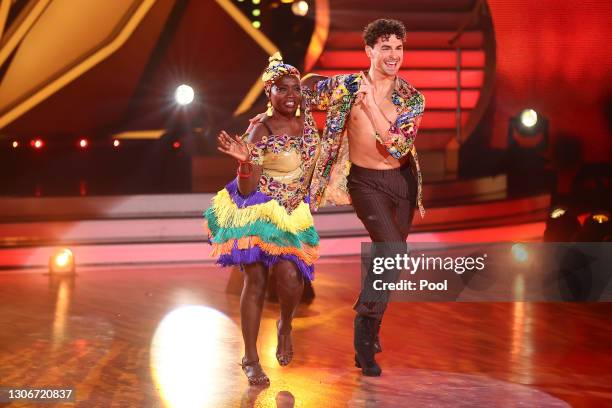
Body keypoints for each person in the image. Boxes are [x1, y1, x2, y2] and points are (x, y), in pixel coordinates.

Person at [301, 18, 426, 376]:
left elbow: (399, 143)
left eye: (399, 48)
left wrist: (370, 106)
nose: (394, 55)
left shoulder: (412, 98)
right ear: (369, 51)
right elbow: (302, 95)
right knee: (392, 249)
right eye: (386, 47)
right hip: (364, 183)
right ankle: (364, 330)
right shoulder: (344, 86)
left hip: (401, 182)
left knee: (391, 261)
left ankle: (369, 332)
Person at [203, 53, 320, 386]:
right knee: (255, 280)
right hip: (257, 207)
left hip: (292, 209)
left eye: (295, 89)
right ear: (268, 93)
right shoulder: (259, 129)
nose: (290, 96)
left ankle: (285, 323)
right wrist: (245, 161)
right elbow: (247, 188)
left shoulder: (307, 124)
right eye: (281, 90)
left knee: (290, 278)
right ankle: (251, 358)